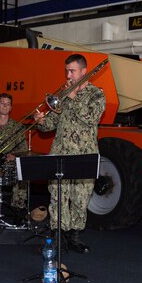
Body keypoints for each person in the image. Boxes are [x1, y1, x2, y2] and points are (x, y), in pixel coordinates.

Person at [33, 54, 105, 254]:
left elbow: (91, 119)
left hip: (83, 154)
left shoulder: (96, 94)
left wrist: (75, 99)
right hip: (60, 153)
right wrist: (42, 121)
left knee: (80, 198)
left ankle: (74, 236)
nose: (68, 75)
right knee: (57, 196)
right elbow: (52, 125)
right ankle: (58, 235)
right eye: (67, 71)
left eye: (72, 71)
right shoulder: (64, 95)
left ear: (83, 71)